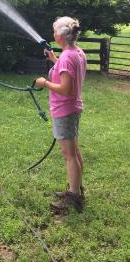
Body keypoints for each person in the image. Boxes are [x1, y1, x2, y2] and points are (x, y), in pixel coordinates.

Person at [36, 16, 87, 214]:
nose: (53, 34)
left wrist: (44, 83)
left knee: (69, 155)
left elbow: (66, 89)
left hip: (65, 109)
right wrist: (54, 60)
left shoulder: (67, 57)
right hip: (72, 109)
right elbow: (69, 73)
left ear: (61, 36)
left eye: (55, 31)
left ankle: (73, 196)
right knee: (74, 153)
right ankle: (77, 189)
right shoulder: (76, 53)